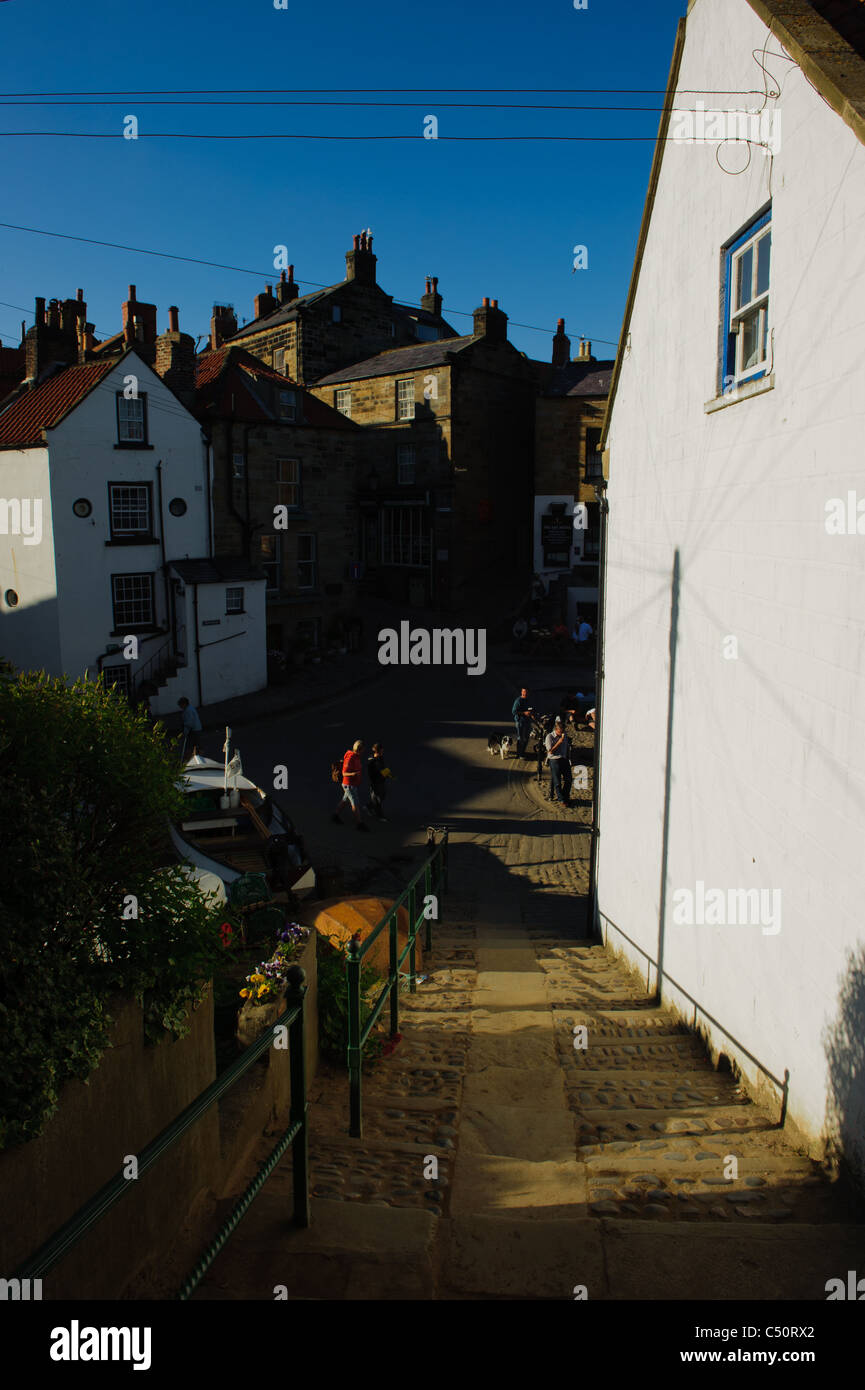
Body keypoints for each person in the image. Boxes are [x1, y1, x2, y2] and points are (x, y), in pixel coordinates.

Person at [332, 739, 369, 831]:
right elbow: (344, 773)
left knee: (345, 800)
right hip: (349, 785)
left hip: (352, 784)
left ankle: (335, 815)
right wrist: (353, 774)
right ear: (359, 749)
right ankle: (359, 824)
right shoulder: (351, 757)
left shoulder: (356, 756)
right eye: (363, 749)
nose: (364, 751)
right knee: (355, 803)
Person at [544, 715, 570, 804]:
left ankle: (565, 796)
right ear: (556, 730)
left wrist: (569, 757)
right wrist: (558, 742)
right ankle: (561, 799)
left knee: (568, 779)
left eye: (563, 731)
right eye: (560, 732)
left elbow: (567, 747)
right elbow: (550, 751)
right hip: (554, 759)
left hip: (564, 758)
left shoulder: (564, 735)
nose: (562, 734)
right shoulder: (549, 737)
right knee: (557, 781)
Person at [366, 742, 392, 821]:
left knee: (382, 795)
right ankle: (380, 816)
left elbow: (383, 768)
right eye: (382, 749)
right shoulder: (373, 760)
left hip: (381, 781)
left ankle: (369, 807)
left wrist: (389, 774)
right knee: (378, 800)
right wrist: (387, 774)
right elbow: (379, 770)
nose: (383, 750)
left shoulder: (380, 757)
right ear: (379, 750)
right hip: (375, 782)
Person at [512, 687, 534, 758]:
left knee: (527, 738)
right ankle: (519, 754)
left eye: (527, 692)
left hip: (527, 721)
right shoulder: (518, 701)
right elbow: (514, 711)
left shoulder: (528, 700)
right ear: (521, 692)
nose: (525, 693)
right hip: (520, 722)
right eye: (524, 692)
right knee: (520, 738)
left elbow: (530, 709)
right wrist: (524, 713)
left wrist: (531, 714)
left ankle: (522, 752)